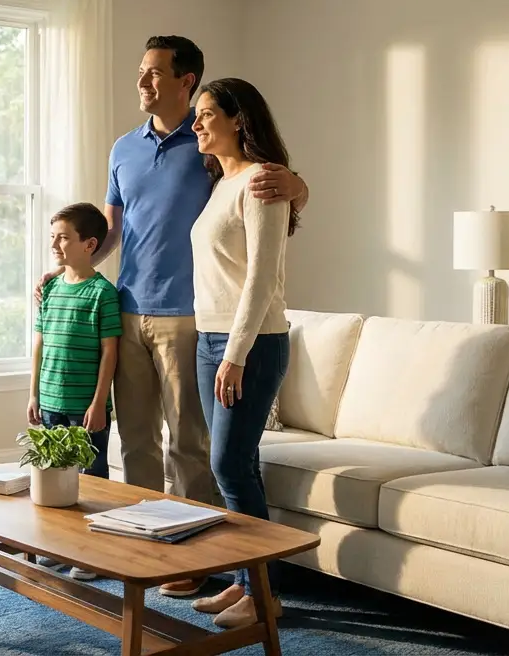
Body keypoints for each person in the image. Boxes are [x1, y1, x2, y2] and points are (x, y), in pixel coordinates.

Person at [36, 36, 307, 598]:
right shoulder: (122, 149)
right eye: (141, 72)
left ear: (187, 81)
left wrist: (299, 186)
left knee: (189, 443)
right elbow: (113, 231)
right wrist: (68, 270)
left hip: (193, 317)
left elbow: (260, 192)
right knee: (135, 441)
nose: (142, 83)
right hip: (128, 307)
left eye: (155, 73)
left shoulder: (208, 146)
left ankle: (196, 557)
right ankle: (142, 546)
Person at [186, 78, 294, 628]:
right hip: (210, 339)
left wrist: (235, 354)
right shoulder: (220, 183)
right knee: (236, 464)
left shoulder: (261, 183)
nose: (197, 123)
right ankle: (244, 582)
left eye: (206, 114)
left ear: (238, 119)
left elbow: (260, 279)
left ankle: (263, 597)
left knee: (229, 464)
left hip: (249, 343)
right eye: (196, 114)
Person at [27, 202, 122, 582]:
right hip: (49, 402)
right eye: (53, 237)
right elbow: (39, 343)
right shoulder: (48, 288)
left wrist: (100, 403)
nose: (55, 244)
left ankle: (92, 554)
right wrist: (33, 394)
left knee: (91, 482)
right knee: (52, 483)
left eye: (63, 237)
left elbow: (109, 352)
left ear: (89, 243)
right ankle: (58, 547)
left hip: (86, 407)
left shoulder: (103, 293)